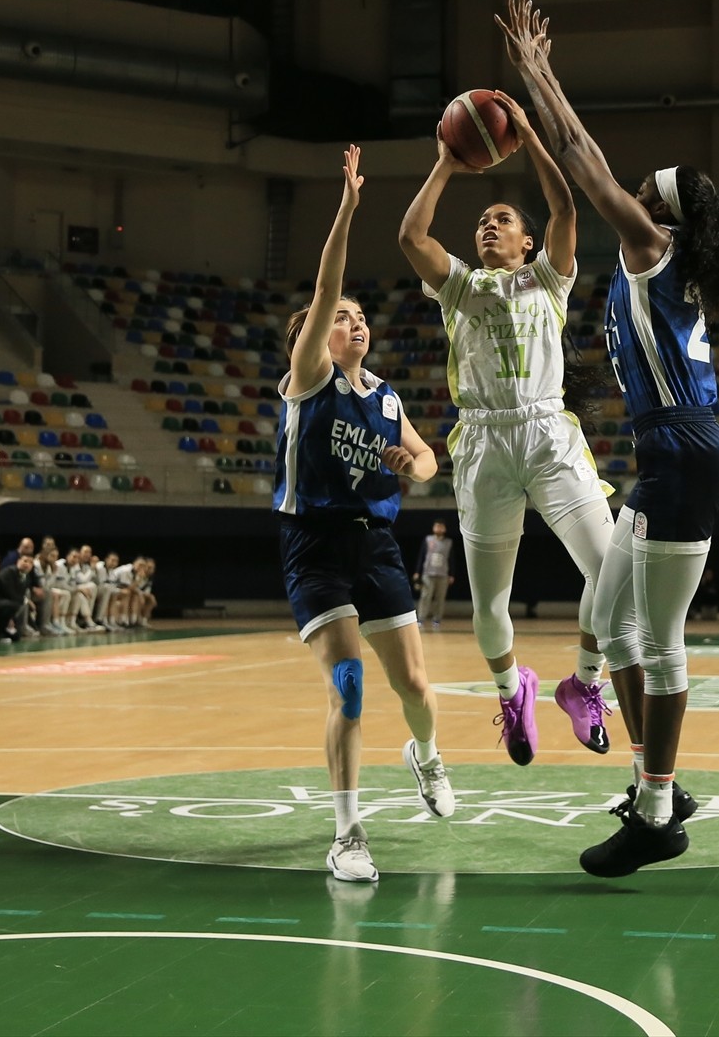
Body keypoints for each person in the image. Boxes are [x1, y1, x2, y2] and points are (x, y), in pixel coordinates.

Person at [498, 0, 719, 876]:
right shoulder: (650, 258)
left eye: (657, 183)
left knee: (654, 639)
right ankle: (650, 776)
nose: (642, 180)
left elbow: (585, 161)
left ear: (669, 213)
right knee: (609, 624)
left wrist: (540, 76)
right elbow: (589, 168)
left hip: (684, 451)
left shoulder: (654, 244)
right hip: (675, 451)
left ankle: (657, 810)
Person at [398, 92, 619, 767]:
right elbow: (411, 238)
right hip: (485, 443)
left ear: (527, 241)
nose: (489, 228)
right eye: (483, 222)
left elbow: (566, 209)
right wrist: (444, 161)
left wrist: (526, 131)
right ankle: (510, 690)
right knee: (488, 605)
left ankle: (584, 684)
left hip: (548, 434)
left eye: (502, 220)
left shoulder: (549, 280)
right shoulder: (460, 288)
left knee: (613, 574)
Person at [275, 144, 455, 885]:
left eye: (356, 318)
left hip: (375, 543)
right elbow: (326, 285)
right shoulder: (308, 378)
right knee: (348, 681)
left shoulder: (384, 396)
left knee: (413, 685)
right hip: (313, 544)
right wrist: (348, 207)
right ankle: (348, 834)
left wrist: (411, 464)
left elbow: (428, 458)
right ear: (312, 338)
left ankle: (428, 756)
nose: (352, 322)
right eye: (339, 318)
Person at [413, 519, 455, 629]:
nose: (439, 528)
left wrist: (452, 574)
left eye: (441, 527)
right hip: (428, 573)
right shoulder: (428, 539)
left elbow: (451, 559)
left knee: (440, 598)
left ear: (444, 529)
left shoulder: (448, 542)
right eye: (437, 526)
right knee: (425, 596)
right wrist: (417, 571)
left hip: (443, 575)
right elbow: (422, 556)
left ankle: (437, 619)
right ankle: (421, 618)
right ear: (433, 528)